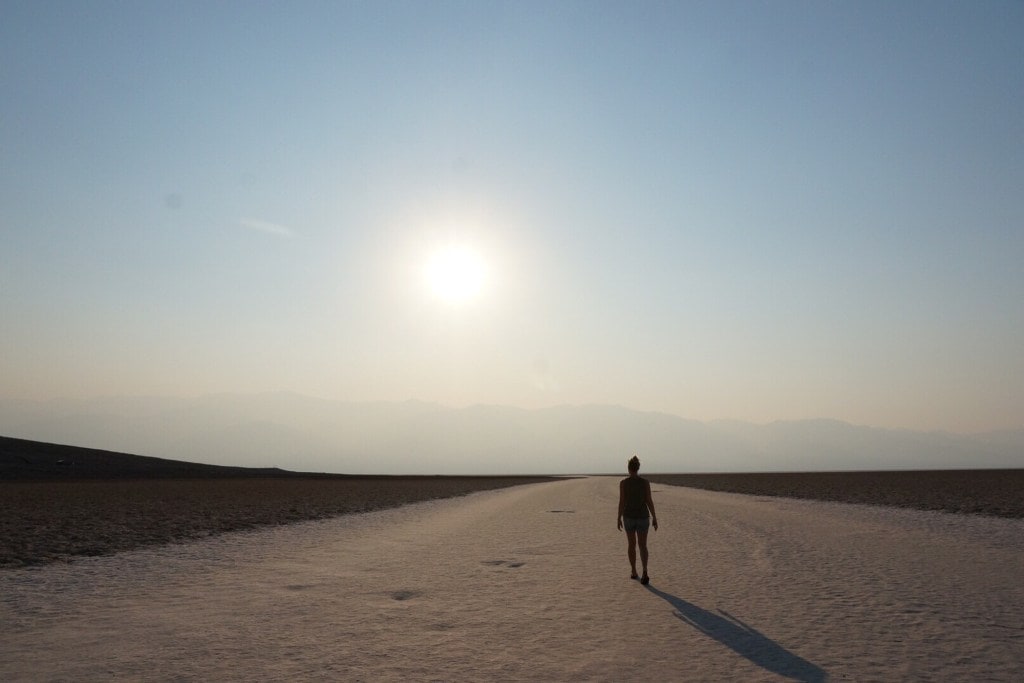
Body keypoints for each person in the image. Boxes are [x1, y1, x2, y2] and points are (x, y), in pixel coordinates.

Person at [617, 455, 658, 585]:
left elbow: (622, 502)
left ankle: (634, 571)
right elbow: (649, 500)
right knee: (643, 545)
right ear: (638, 468)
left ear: (629, 469)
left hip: (629, 517)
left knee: (631, 545)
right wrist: (655, 517)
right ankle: (645, 569)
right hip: (643, 517)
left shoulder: (623, 483)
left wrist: (618, 517)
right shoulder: (645, 483)